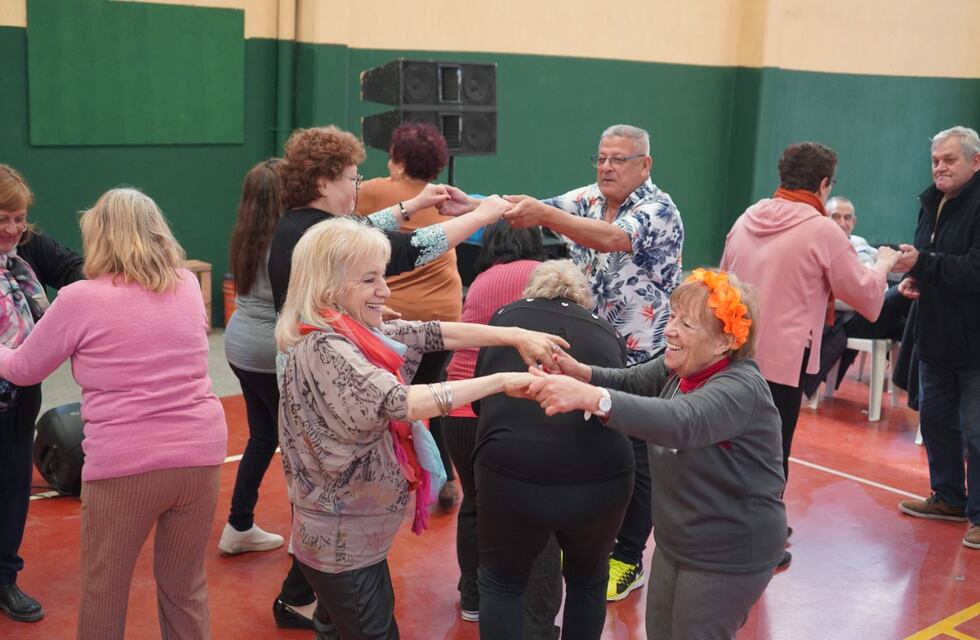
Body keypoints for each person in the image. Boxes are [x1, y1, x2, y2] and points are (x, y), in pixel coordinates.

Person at [268, 125, 515, 629]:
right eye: (352, 179)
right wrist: (484, 214)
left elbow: (413, 315)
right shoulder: (331, 341)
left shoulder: (314, 243)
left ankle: (305, 592)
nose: (358, 188)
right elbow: (403, 250)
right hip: (341, 532)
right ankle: (302, 590)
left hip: (344, 530)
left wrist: (509, 339)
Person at [275, 216, 563, 639]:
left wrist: (513, 335)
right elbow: (401, 402)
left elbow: (429, 333)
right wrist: (502, 381)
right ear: (330, 285)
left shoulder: (352, 331)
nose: (385, 291)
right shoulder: (327, 345)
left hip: (352, 538)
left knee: (337, 626)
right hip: (342, 542)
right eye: (370, 279)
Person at [443, 123, 684, 601]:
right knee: (592, 443)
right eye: (600, 158)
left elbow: (612, 239)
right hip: (593, 350)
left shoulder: (659, 210)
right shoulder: (589, 197)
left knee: (637, 457)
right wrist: (471, 208)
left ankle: (628, 557)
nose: (606, 167)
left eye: (618, 159)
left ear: (645, 164)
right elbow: (528, 207)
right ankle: (588, 540)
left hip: (643, 357)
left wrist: (546, 217)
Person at [0, 187, 227, 639]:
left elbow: (24, 369)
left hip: (125, 464)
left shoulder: (82, 298)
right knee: (186, 587)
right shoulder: (184, 284)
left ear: (100, 238)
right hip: (200, 455)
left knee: (105, 589)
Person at [526, 269, 786, 640]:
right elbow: (630, 381)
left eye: (688, 324)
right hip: (677, 540)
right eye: (674, 316)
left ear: (724, 341)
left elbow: (681, 420)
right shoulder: (682, 367)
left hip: (728, 551)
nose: (669, 330)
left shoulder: (739, 388)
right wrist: (580, 373)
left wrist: (592, 398)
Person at [473, 260, 634, 640]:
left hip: (512, 471)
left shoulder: (505, 320)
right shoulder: (606, 330)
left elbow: (482, 402)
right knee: (588, 581)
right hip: (603, 476)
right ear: (583, 298)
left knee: (502, 583)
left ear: (532, 290)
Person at [442, 219, 546, 623]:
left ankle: (473, 594)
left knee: (474, 502)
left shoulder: (482, 279)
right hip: (506, 408)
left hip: (459, 403)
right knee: (519, 505)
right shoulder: (540, 276)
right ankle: (513, 590)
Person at [356, 122, 461, 510]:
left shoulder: (374, 192)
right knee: (433, 395)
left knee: (386, 401)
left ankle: (387, 479)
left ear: (398, 162)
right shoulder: (440, 198)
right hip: (446, 316)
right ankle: (446, 478)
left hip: (399, 320)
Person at [0, 164, 84, 623]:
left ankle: (5, 578)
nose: (13, 229)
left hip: (16, 397)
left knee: (13, 486)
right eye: (2, 220)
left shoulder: (29, 245)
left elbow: (74, 269)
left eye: (19, 218)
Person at [895, 125, 980, 550]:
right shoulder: (932, 200)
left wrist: (923, 264)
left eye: (949, 160)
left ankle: (979, 517)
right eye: (935, 161)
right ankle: (948, 496)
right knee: (935, 421)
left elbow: (974, 269)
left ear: (975, 161)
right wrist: (917, 278)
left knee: (977, 430)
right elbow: (929, 259)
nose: (940, 168)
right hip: (935, 334)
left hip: (974, 344)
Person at [218, 159, 287, 554]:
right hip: (267, 352)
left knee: (264, 434)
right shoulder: (285, 240)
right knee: (300, 446)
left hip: (240, 346)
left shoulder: (246, 233)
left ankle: (239, 525)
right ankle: (309, 540)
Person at [803, 196, 912, 395]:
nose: (842, 223)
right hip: (850, 318)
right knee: (905, 295)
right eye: (835, 217)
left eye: (847, 218)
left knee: (909, 313)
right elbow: (826, 296)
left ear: (854, 222)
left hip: (875, 304)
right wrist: (864, 297)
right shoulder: (819, 247)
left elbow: (888, 264)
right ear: (824, 218)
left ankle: (917, 383)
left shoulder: (859, 243)